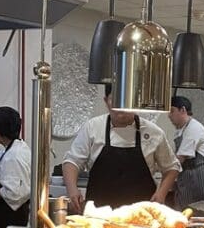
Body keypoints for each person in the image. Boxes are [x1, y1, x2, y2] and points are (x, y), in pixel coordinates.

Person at [62, 84, 180, 212]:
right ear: (106, 101)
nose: (121, 105)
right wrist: (72, 190)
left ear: (136, 102)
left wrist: (161, 194)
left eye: (127, 99)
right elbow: (72, 162)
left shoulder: (154, 132)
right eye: (115, 99)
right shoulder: (93, 127)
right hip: (98, 216)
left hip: (142, 216)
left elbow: (171, 167)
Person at [168, 95, 204, 208]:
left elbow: (180, 158)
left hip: (200, 178)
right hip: (187, 177)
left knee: (203, 215)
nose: (169, 116)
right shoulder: (180, 130)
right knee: (185, 215)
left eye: (172, 111)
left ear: (183, 110)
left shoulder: (194, 128)